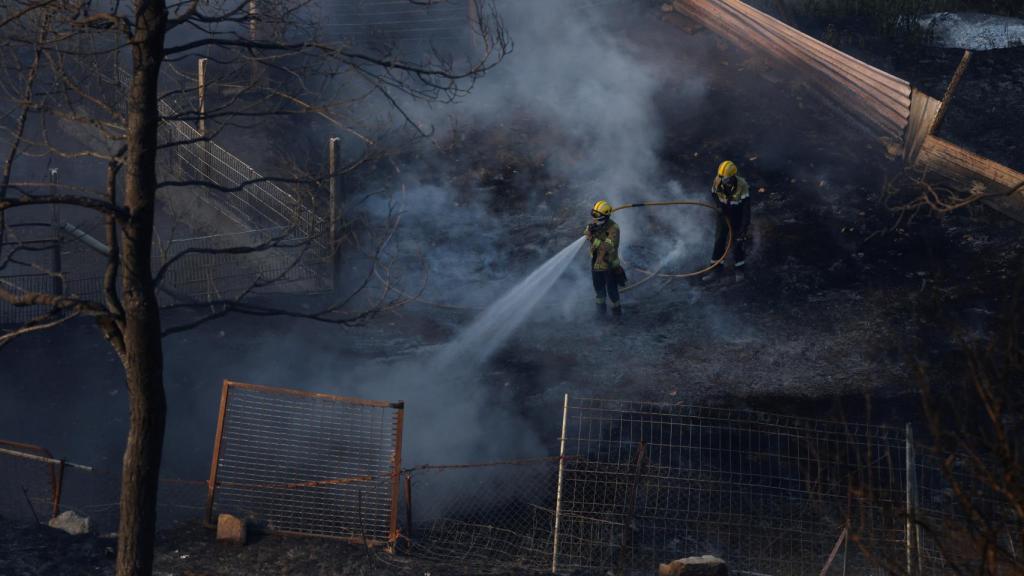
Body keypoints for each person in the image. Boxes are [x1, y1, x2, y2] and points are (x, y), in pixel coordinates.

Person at [706, 160, 751, 281]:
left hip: (737, 216)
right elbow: (714, 194)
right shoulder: (718, 179)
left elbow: (747, 209)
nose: (723, 181)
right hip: (723, 215)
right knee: (719, 241)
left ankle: (740, 271)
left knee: (737, 243)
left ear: (732, 177)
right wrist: (719, 206)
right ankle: (716, 270)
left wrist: (744, 229)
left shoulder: (742, 185)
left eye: (726, 179)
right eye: (722, 178)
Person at [585, 200, 622, 317]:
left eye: (597, 216)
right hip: (595, 263)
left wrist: (592, 238)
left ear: (605, 216)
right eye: (594, 216)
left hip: (609, 264)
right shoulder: (596, 224)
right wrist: (588, 230)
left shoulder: (613, 228)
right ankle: (601, 315)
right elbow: (586, 233)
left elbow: (607, 247)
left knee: (612, 292)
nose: (595, 219)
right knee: (599, 291)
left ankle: (617, 314)